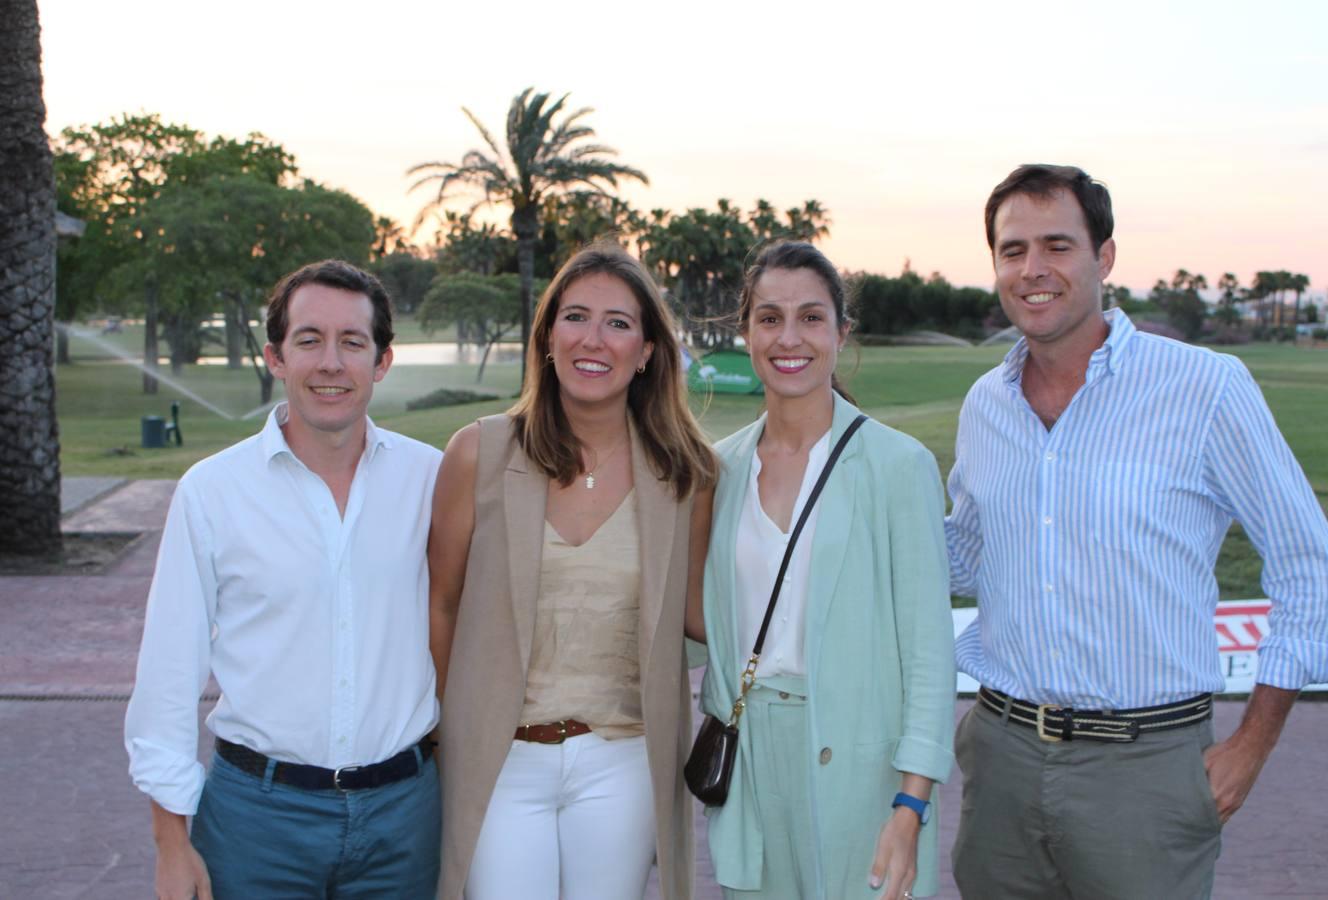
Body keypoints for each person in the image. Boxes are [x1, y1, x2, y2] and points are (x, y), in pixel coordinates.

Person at [947, 164, 1328, 898]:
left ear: (1103, 258)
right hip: (1001, 763)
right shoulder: (985, 405)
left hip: (1145, 775)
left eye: (1057, 245)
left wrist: (1251, 748)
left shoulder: (1205, 388)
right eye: (1012, 251)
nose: (1032, 269)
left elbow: (1309, 567)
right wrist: (846, 502)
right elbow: (967, 558)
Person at [124, 260, 443, 899]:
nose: (331, 362)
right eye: (309, 340)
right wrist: (170, 842)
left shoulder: (434, 481)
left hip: (404, 816)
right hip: (256, 820)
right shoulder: (213, 491)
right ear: (275, 357)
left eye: (352, 342)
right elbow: (168, 670)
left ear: (381, 362)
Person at [429, 244, 717, 900]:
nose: (594, 339)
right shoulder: (480, 454)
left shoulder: (683, 476)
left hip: (621, 759)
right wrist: (443, 738)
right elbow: (440, 604)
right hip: (500, 759)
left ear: (646, 351)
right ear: (548, 337)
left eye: (618, 323)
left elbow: (699, 610)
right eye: (576, 317)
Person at [691, 242, 956, 900]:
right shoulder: (715, 472)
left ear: (841, 334)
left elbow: (929, 653)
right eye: (769, 317)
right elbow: (698, 623)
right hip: (751, 769)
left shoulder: (898, 466)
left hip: (864, 771)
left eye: (811, 318)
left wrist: (910, 807)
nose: (789, 338)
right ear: (746, 331)